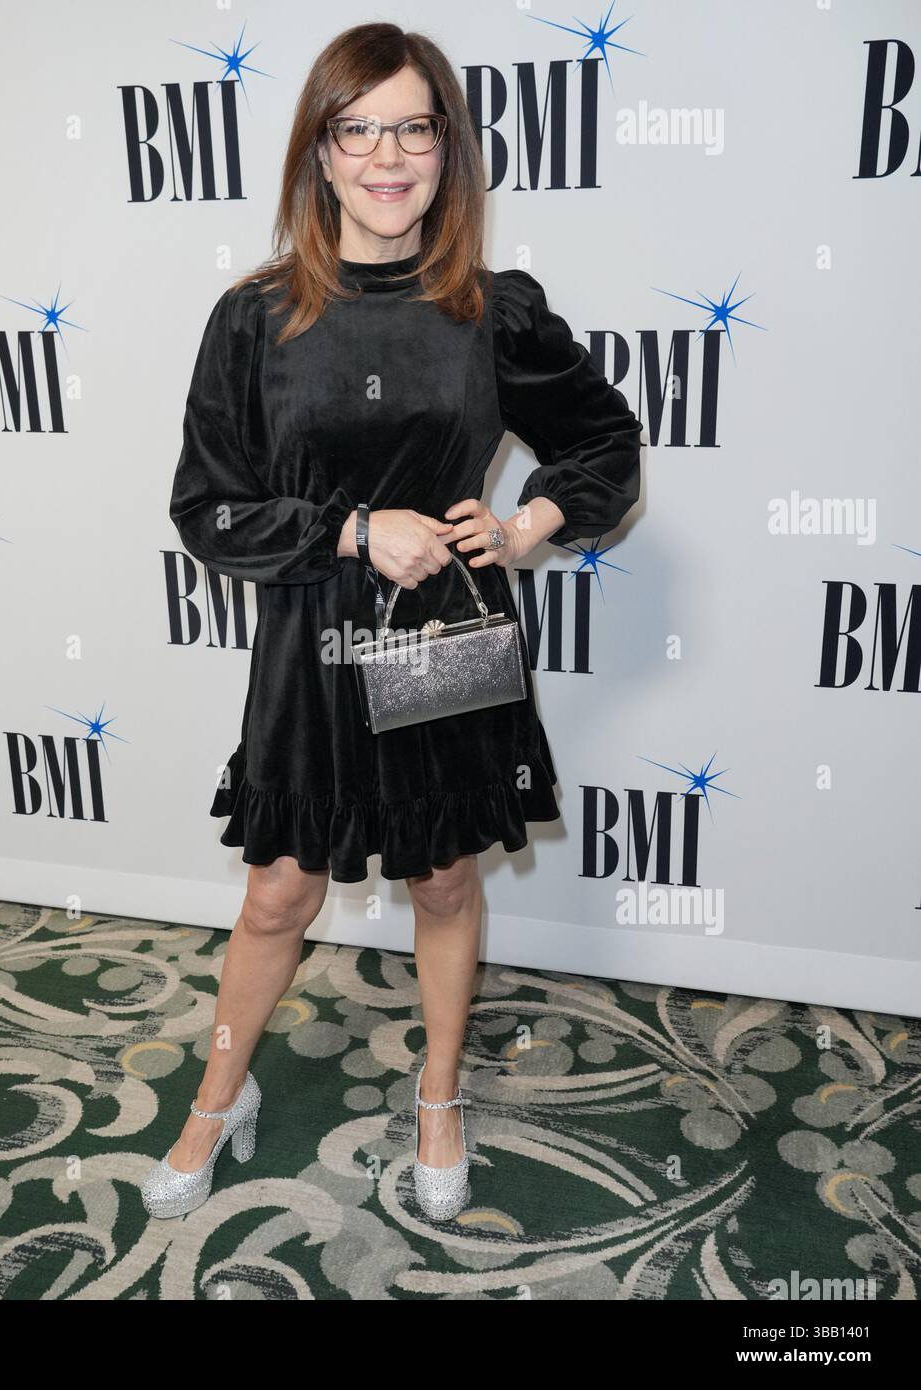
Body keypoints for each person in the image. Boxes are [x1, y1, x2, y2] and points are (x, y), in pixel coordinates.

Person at [142, 22, 642, 1222]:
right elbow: (206, 509)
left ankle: (436, 1091)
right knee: (275, 894)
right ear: (319, 152)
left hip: (443, 644)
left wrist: (526, 527)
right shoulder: (255, 317)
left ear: (445, 150)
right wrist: (360, 532)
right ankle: (219, 1093)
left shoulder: (489, 310)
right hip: (313, 641)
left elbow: (603, 443)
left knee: (441, 879)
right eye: (355, 128)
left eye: (411, 127)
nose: (385, 155)